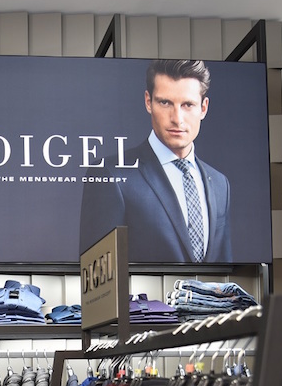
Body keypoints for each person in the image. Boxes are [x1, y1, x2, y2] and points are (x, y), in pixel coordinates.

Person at [79, 59, 233, 263]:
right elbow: (96, 269)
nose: (177, 118)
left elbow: (225, 270)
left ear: (203, 108)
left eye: (188, 105)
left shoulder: (220, 184)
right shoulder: (111, 175)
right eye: (165, 103)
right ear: (148, 102)